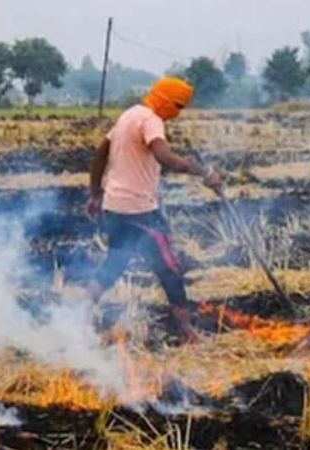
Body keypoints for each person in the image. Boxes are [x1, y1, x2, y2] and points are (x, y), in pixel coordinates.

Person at [85, 76, 222, 343]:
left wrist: (95, 193)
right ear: (166, 101)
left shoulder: (129, 115)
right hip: (139, 211)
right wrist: (205, 172)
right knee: (169, 267)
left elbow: (101, 153)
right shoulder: (150, 119)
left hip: (114, 208)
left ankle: (77, 315)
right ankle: (187, 332)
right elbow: (165, 157)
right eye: (178, 106)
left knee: (115, 262)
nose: (178, 113)